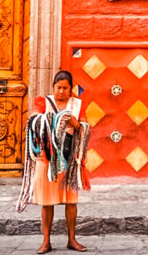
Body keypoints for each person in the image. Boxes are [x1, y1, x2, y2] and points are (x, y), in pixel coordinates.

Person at [16, 69, 91, 253]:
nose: (61, 91)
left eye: (65, 88)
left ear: (71, 88)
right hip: (46, 159)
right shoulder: (43, 102)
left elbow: (85, 128)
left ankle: (72, 239)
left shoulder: (78, 104)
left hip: (69, 160)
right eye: (58, 87)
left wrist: (73, 122)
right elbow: (33, 120)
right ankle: (46, 241)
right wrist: (52, 121)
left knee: (71, 201)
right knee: (47, 202)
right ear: (53, 87)